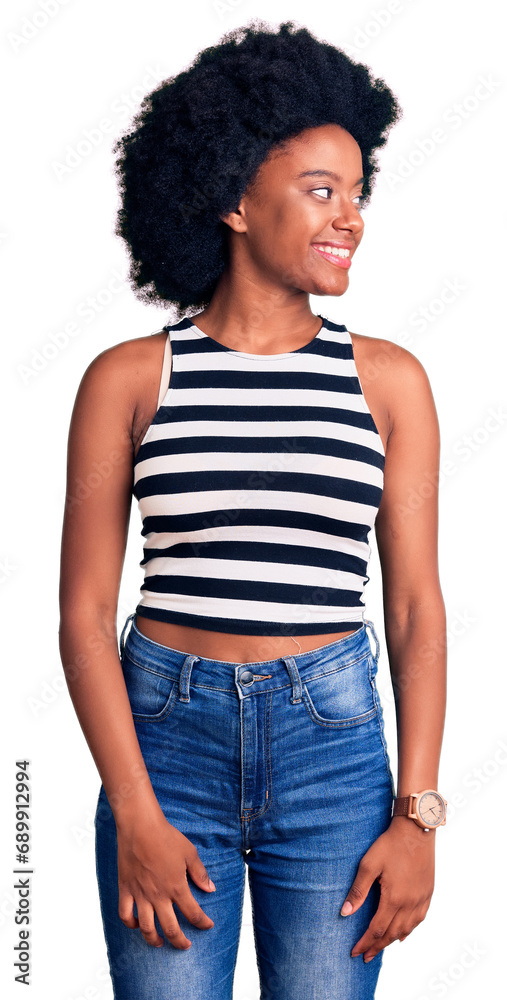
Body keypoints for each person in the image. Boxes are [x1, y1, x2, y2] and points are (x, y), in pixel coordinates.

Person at [58, 19, 447, 1000]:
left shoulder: (388, 381)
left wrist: (418, 814)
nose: (349, 216)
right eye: (322, 191)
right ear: (234, 198)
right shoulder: (130, 378)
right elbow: (80, 616)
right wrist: (136, 813)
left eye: (357, 193)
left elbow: (413, 609)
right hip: (165, 746)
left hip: (335, 751)